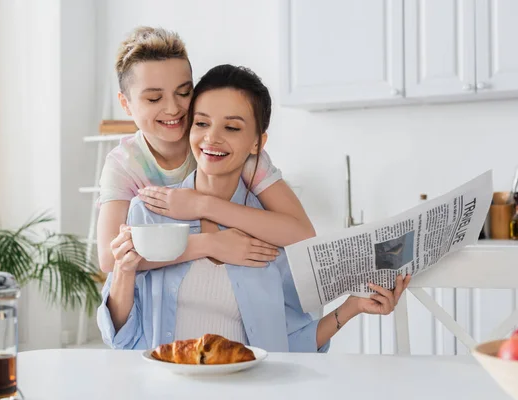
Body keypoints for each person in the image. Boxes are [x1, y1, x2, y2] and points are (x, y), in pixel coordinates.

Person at [97, 64, 411, 352]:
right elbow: (123, 336)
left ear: (257, 143)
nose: (212, 138)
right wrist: (125, 271)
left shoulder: (272, 232)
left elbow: (290, 344)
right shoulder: (149, 212)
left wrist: (353, 306)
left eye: (232, 128)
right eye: (201, 123)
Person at [97, 27, 316, 275]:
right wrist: (209, 245)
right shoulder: (125, 165)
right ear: (126, 103)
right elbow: (109, 259)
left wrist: (202, 205)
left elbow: (302, 233)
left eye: (183, 92)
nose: (173, 109)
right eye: (154, 99)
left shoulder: (221, 146)